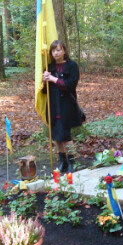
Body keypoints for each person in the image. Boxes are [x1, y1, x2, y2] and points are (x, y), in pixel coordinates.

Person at [42, 40, 82, 173]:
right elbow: (44, 91)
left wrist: (53, 79)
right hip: (53, 105)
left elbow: (70, 85)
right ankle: (62, 161)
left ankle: (72, 162)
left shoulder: (72, 66)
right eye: (53, 50)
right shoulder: (49, 67)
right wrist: (44, 81)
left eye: (58, 50)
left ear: (64, 51)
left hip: (66, 105)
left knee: (66, 135)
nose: (56, 53)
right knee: (56, 136)